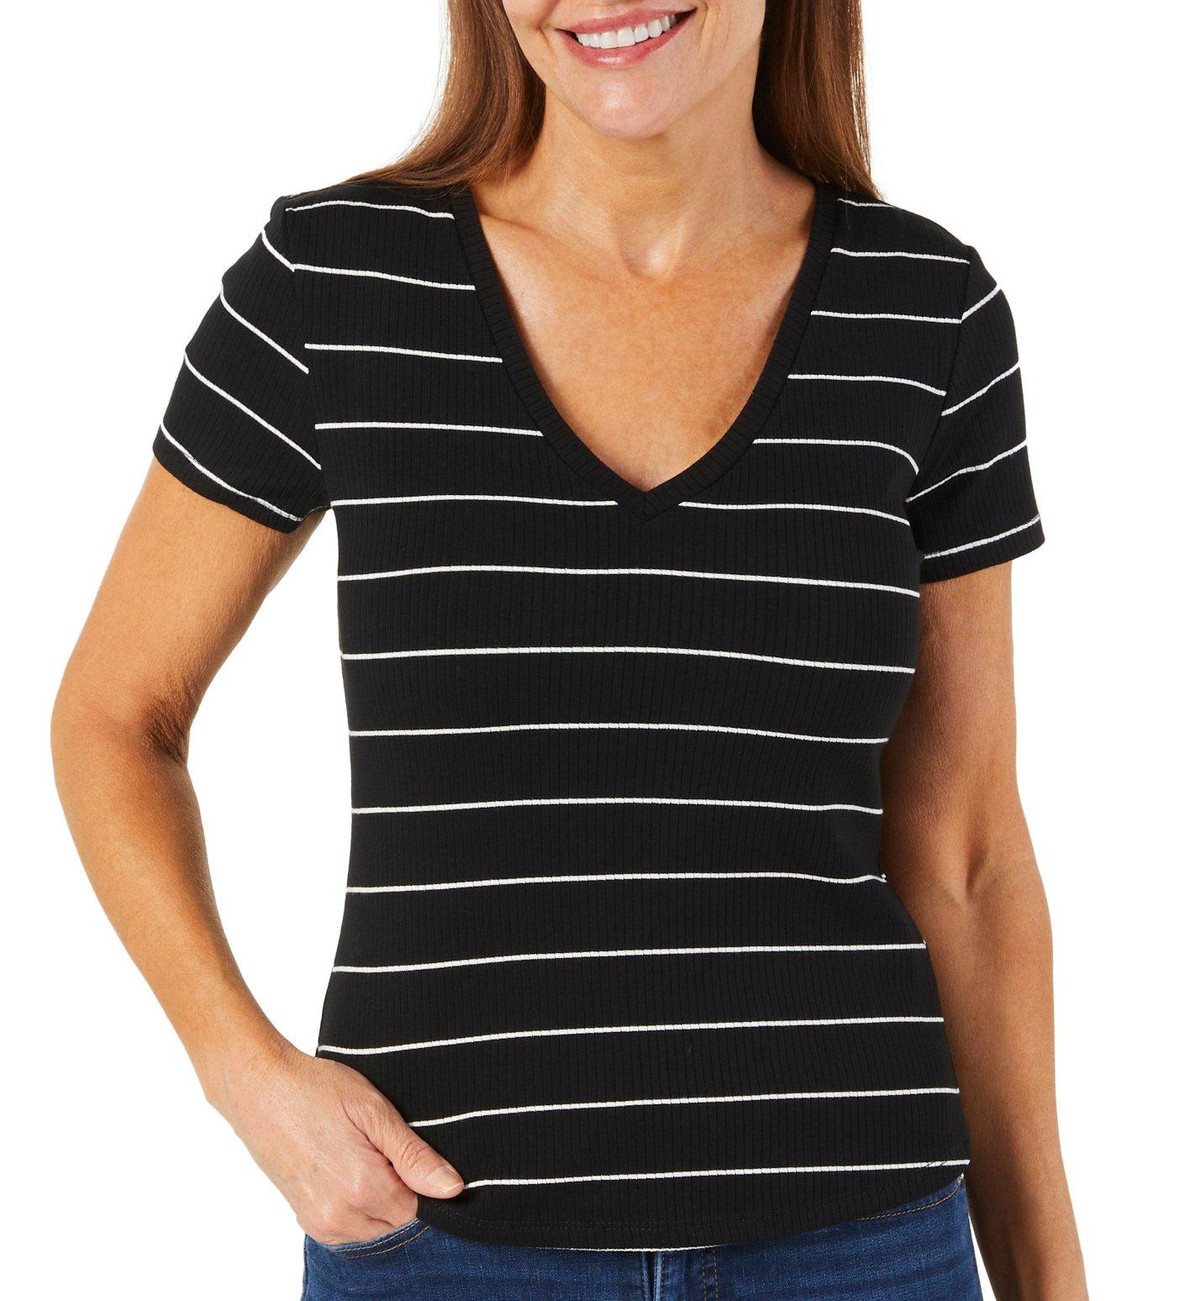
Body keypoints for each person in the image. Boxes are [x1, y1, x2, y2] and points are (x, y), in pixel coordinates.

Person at [52, 2, 1088, 1297]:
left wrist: (1052, 1282)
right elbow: (116, 715)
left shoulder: (926, 313)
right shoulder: (333, 285)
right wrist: (240, 1072)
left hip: (858, 1246)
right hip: (443, 1244)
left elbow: (969, 857)